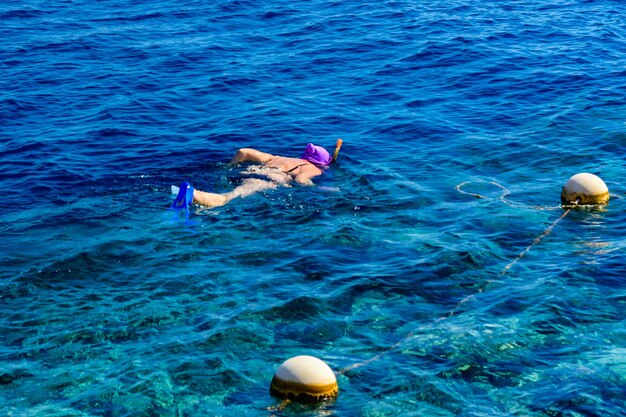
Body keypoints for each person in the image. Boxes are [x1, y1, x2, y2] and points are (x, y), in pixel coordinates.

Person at [172, 143, 333, 209]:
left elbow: (243, 152)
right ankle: (193, 194)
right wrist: (318, 188)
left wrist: (229, 168)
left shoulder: (277, 157)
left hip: (248, 172)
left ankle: (189, 196)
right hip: (264, 180)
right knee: (226, 199)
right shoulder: (314, 168)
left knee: (231, 189)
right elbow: (300, 179)